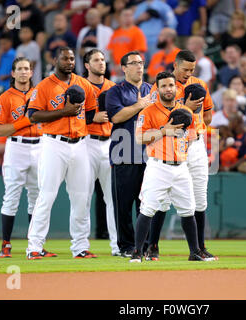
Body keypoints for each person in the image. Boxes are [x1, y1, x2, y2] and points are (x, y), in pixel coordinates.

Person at [25, 47, 97, 260]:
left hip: (80, 144)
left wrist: (75, 120)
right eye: (65, 58)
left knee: (82, 197)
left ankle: (80, 247)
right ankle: (34, 247)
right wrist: (63, 113)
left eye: (72, 58)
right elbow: (33, 116)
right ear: (55, 59)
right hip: (54, 144)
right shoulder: (44, 86)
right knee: (46, 196)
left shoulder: (83, 84)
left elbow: (91, 114)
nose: (69, 61)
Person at [146, 49, 216, 261]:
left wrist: (196, 118)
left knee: (200, 198)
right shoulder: (162, 86)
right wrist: (185, 109)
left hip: (195, 143)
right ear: (174, 66)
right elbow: (155, 119)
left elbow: (209, 115)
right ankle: (152, 246)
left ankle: (199, 248)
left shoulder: (199, 85)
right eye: (185, 69)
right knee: (162, 199)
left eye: (192, 69)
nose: (188, 73)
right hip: (169, 145)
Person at [130, 71, 208, 262]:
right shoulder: (148, 111)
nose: (168, 89)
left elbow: (191, 138)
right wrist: (163, 131)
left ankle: (194, 252)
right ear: (158, 89)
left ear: (176, 88)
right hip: (158, 166)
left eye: (171, 85)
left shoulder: (185, 112)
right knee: (148, 209)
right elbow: (139, 138)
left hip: (181, 166)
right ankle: (138, 252)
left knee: (188, 210)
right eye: (163, 86)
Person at [0, 57, 50, 259]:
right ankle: (6, 243)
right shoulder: (6, 97)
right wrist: (23, 122)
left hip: (40, 146)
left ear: (31, 72)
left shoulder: (40, 93)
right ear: (13, 73)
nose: (24, 72)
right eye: (20, 69)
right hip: (17, 146)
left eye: (27, 68)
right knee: (11, 196)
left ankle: (35, 244)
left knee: (37, 197)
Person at [105, 51, 152, 257]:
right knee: (123, 205)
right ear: (123, 68)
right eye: (133, 63)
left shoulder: (152, 90)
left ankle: (146, 246)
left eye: (141, 63)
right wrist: (139, 105)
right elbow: (116, 117)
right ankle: (125, 246)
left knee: (148, 204)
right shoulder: (115, 92)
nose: (139, 67)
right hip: (124, 152)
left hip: (149, 155)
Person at [82, 48, 120, 256]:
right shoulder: (80, 86)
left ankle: (117, 246)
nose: (101, 63)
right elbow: (69, 116)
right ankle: (81, 247)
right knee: (83, 196)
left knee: (113, 198)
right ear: (87, 65)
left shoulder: (113, 87)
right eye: (96, 60)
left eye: (103, 59)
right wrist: (91, 118)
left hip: (109, 143)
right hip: (87, 142)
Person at [106, 8, 148, 82]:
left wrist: (123, 66)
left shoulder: (137, 32)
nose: (128, 17)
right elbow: (111, 52)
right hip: (116, 72)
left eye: (130, 15)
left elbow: (138, 53)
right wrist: (114, 67)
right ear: (120, 18)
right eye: (125, 15)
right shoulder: (116, 33)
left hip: (132, 72)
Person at [133, 0, 177, 65]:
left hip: (156, 41)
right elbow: (131, 24)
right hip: (141, 42)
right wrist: (140, 19)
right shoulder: (140, 7)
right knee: (140, 68)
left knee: (157, 66)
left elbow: (172, 22)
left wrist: (166, 37)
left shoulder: (162, 6)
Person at [75, 8, 113, 76]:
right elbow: (79, 50)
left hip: (102, 69)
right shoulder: (83, 31)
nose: (91, 18)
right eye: (89, 16)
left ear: (99, 18)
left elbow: (107, 51)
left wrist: (87, 51)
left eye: (93, 16)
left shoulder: (107, 31)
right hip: (85, 69)